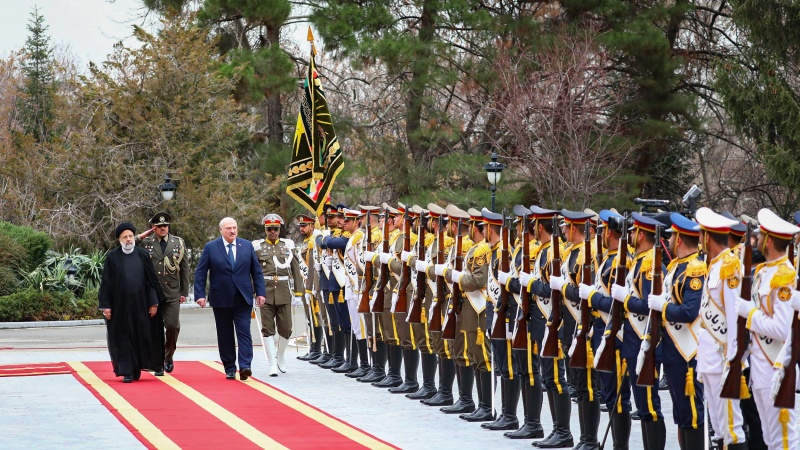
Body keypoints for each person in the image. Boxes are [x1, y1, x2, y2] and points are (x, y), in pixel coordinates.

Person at [736, 208, 799, 450]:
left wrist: (749, 313)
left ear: (769, 240)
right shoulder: (762, 272)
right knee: (769, 437)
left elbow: (781, 329)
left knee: (784, 439)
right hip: (759, 367)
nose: (756, 240)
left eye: (760, 236)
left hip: (776, 367)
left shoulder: (784, 277)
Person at [694, 207, 748, 450]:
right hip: (709, 358)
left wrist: (733, 359)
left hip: (722, 356)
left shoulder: (729, 265)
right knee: (717, 425)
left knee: (731, 426)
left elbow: (735, 315)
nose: (698, 240)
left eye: (700, 235)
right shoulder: (713, 265)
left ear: (707, 237)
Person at [194, 217, 266, 380]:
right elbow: (200, 272)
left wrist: (260, 292)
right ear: (221, 230)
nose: (232, 231)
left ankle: (246, 365)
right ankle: (230, 367)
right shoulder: (211, 248)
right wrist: (200, 295)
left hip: (243, 298)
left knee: (244, 333)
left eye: (234, 228)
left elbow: (256, 272)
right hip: (221, 298)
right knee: (225, 334)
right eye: (228, 228)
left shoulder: (246, 246)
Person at [98, 222, 166, 383]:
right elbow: (106, 282)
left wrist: (153, 303)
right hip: (120, 306)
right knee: (123, 337)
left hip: (140, 305)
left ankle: (136, 368)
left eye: (130, 236)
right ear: (119, 240)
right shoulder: (112, 257)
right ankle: (126, 370)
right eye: (125, 237)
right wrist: (106, 305)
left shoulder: (142, 254)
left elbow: (150, 282)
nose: (128, 240)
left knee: (139, 337)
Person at [137, 212, 189, 375]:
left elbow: (185, 268)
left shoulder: (178, 243)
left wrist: (184, 291)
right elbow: (124, 245)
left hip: (172, 291)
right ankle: (158, 362)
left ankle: (168, 357)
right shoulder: (146, 242)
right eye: (159, 226)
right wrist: (140, 236)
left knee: (173, 326)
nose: (163, 228)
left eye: (165, 225)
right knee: (155, 329)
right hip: (152, 292)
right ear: (154, 228)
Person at [253, 214, 304, 376]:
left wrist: (298, 293)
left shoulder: (287, 246)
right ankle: (272, 363)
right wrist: (253, 293)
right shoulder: (258, 247)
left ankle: (280, 356)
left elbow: (295, 270)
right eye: (269, 229)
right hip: (264, 292)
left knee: (286, 328)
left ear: (279, 229)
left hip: (283, 291)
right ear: (265, 230)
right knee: (267, 329)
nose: (272, 232)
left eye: (275, 229)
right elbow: (252, 272)